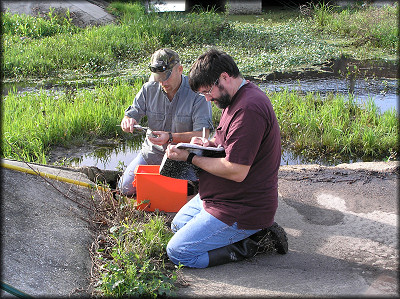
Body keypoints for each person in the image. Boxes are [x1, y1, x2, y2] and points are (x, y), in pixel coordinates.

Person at [165, 48, 288, 268]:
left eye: (207, 92)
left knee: (179, 252)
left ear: (224, 77)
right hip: (223, 196)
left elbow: (236, 171)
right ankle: (246, 234)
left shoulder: (249, 109)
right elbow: (227, 144)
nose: (208, 98)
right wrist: (207, 145)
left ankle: (255, 243)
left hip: (242, 206)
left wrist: (190, 158)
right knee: (178, 226)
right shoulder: (234, 98)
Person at [118, 48, 213, 196]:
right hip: (152, 154)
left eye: (167, 76)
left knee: (195, 193)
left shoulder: (197, 94)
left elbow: (203, 135)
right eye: (159, 77)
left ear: (180, 69)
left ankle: (184, 186)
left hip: (184, 157)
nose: (163, 81)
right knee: (125, 189)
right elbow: (130, 115)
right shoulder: (148, 89)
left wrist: (170, 137)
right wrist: (128, 121)